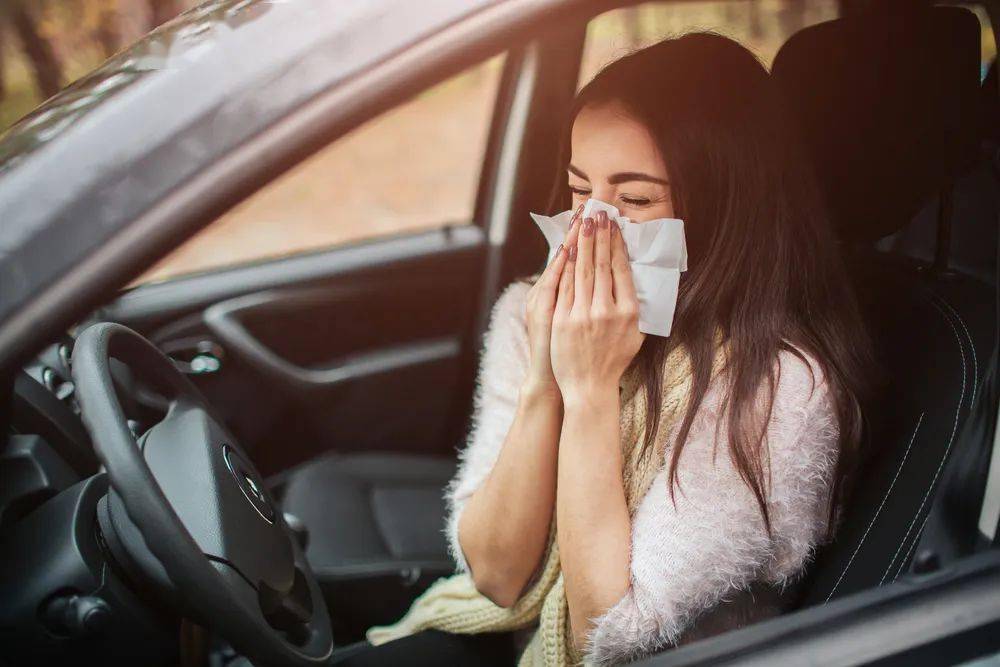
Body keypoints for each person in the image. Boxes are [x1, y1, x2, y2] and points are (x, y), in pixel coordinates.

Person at [331, 30, 878, 667]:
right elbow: (496, 573)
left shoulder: (777, 389)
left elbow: (608, 638)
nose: (592, 225)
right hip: (512, 637)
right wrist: (546, 376)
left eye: (636, 198)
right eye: (578, 189)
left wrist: (589, 393)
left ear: (726, 209)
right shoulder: (530, 313)